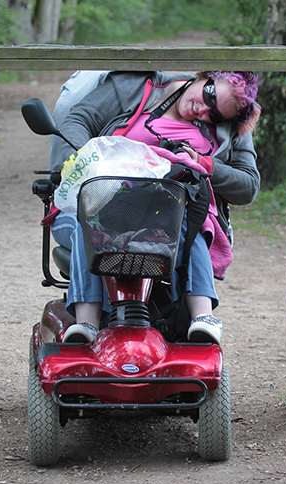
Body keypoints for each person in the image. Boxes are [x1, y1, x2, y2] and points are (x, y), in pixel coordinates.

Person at [49, 70, 261, 344]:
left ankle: (203, 318)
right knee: (88, 219)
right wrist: (90, 163)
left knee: (193, 221)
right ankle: (86, 324)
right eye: (209, 95)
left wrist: (206, 164)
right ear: (204, 76)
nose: (204, 110)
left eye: (216, 115)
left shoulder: (229, 128)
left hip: (169, 211)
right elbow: (78, 119)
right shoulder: (134, 87)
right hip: (101, 198)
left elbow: (248, 185)